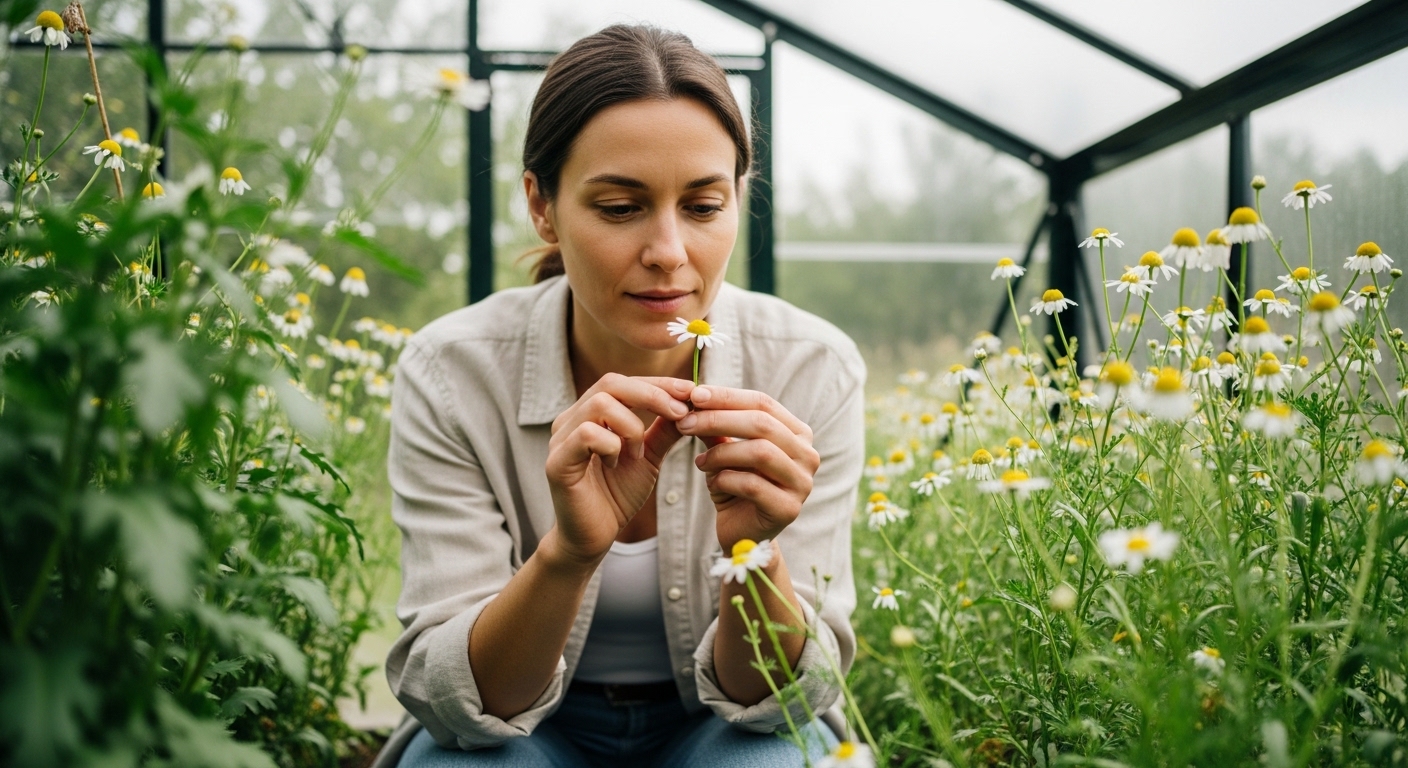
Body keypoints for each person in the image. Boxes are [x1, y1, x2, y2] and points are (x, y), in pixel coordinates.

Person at [376, 23, 865, 768]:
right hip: (526, 730)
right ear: (542, 205)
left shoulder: (810, 368)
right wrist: (570, 552)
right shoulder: (452, 372)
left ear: (739, 200)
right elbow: (464, 710)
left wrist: (753, 548)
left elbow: (782, 703)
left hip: (719, 722)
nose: (668, 251)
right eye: (619, 207)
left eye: (702, 207)